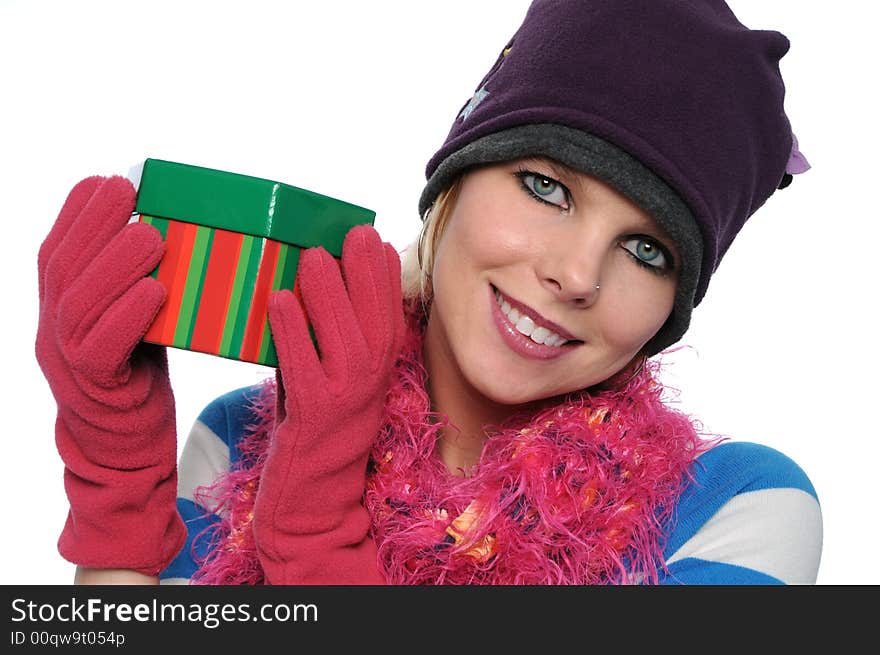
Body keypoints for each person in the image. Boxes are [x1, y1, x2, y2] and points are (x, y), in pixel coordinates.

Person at [37, 0, 822, 585]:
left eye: (647, 249)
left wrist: (316, 534)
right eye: (546, 187)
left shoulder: (740, 509)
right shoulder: (239, 442)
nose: (578, 276)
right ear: (452, 181)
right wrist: (117, 498)